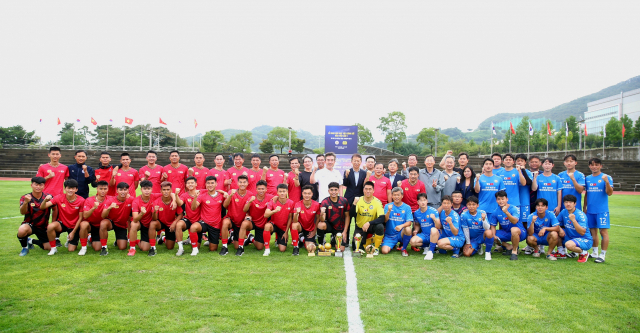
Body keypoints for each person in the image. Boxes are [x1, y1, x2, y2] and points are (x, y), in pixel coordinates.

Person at [42, 179, 84, 255]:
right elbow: (43, 207)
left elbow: (81, 218)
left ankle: (70, 240)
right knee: (50, 226)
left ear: (76, 189)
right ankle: (53, 248)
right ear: (65, 189)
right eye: (68, 188)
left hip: (74, 226)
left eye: (73, 188)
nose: (70, 190)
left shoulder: (81, 200)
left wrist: (73, 232)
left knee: (71, 250)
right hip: (62, 224)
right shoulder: (58, 197)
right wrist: (45, 200)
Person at [584, 158, 613, 263]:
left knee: (603, 232)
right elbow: (587, 193)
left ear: (601, 166)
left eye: (596, 165)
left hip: (602, 210)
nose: (594, 167)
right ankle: (595, 252)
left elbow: (609, 193)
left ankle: (603, 255)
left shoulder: (606, 177)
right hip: (590, 210)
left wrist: (607, 182)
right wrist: (584, 207)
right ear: (589, 166)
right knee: (592, 231)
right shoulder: (587, 178)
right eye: (592, 165)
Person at [188, 176, 224, 256]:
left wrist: (225, 193)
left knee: (213, 249)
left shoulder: (221, 195)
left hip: (215, 224)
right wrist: (195, 197)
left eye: (212, 183)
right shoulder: (202, 196)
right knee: (193, 227)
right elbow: (193, 208)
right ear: (206, 184)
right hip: (204, 222)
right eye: (208, 183)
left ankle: (210, 240)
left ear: (216, 184)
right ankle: (195, 249)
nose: (210, 185)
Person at [128, 180, 165, 256]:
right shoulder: (136, 201)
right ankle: (132, 248)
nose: (147, 191)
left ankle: (137, 241)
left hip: (150, 224)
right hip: (140, 223)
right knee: (134, 224)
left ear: (151, 189)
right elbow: (135, 219)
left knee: (145, 249)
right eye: (145, 189)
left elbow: (170, 193)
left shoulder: (155, 196)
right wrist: (141, 213)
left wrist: (174, 200)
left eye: (148, 189)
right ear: (141, 189)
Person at [17, 177, 53, 256]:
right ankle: (25, 248)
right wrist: (26, 202)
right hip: (30, 224)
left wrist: (53, 223)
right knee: (22, 230)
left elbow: (55, 209)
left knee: (49, 247)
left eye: (40, 185)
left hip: (43, 226)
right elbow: (22, 212)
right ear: (31, 185)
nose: (38, 187)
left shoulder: (48, 197)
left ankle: (30, 241)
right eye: (36, 185)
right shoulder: (25, 197)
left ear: (44, 186)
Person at [221, 175, 254, 256]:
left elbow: (251, 210)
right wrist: (230, 196)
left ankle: (240, 247)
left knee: (236, 246)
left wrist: (248, 216)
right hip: (231, 219)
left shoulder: (250, 194)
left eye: (244, 182)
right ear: (237, 183)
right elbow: (225, 206)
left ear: (248, 183)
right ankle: (224, 247)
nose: (242, 184)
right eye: (240, 182)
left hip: (242, 222)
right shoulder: (231, 192)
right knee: (225, 222)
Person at [100, 182, 135, 255]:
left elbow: (131, 217)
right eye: (121, 190)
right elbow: (103, 216)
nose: (123, 192)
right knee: (103, 223)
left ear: (128, 191)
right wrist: (109, 208)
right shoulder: (110, 200)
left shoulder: (131, 200)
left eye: (125, 190)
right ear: (117, 191)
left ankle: (117, 241)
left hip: (121, 224)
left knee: (122, 247)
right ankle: (104, 247)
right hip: (111, 222)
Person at [151, 182, 184, 256]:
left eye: (168, 190)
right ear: (161, 191)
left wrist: (174, 223)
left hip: (171, 224)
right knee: (152, 223)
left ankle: (163, 238)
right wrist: (155, 212)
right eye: (164, 190)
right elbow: (154, 219)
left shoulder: (175, 201)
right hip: (161, 223)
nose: (166, 192)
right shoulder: (156, 202)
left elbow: (180, 214)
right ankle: (152, 247)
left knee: (170, 247)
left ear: (171, 190)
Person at [352, 181, 386, 254]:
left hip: (371, 226)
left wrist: (369, 223)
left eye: (370, 189)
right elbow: (352, 214)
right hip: (360, 227)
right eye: (366, 189)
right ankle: (371, 240)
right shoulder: (358, 200)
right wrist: (354, 204)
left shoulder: (377, 202)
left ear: (373, 190)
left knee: (380, 226)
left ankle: (376, 248)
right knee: (355, 247)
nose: (368, 191)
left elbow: (382, 218)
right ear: (363, 190)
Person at [558, 194, 593, 263]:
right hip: (570, 237)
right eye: (566, 202)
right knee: (555, 232)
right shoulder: (563, 212)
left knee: (568, 245)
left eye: (570, 202)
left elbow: (582, 232)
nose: (568, 204)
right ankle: (561, 253)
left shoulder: (581, 215)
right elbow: (555, 223)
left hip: (584, 240)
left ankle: (583, 253)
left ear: (575, 204)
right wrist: (559, 229)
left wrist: (573, 220)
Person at [244, 180, 275, 256]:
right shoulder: (252, 198)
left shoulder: (271, 197)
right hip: (254, 222)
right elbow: (244, 210)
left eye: (263, 189)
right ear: (256, 189)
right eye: (259, 189)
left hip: (264, 224)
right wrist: (249, 203)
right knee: (244, 224)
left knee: (259, 247)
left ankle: (251, 238)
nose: (261, 190)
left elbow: (278, 198)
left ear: (266, 189)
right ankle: (241, 247)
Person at [490, 190, 523, 260]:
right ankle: (508, 246)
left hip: (519, 232)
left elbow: (514, 221)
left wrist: (506, 212)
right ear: (496, 200)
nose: (501, 201)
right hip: (506, 232)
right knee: (488, 233)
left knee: (513, 230)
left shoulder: (514, 208)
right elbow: (493, 226)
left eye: (503, 199)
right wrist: (494, 236)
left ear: (507, 199)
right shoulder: (495, 211)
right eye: (499, 199)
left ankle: (514, 252)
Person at [78, 181, 109, 256]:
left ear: (108, 189)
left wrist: (127, 196)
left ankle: (90, 238)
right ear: (97, 189)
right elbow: (85, 216)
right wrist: (93, 208)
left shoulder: (110, 199)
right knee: (83, 224)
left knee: (97, 248)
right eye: (100, 189)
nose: (103, 191)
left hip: (102, 226)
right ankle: (83, 247)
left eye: (105, 189)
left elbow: (120, 199)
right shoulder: (89, 200)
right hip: (91, 225)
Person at [380, 188, 413, 256]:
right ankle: (393, 245)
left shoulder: (407, 207)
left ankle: (403, 248)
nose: (396, 197)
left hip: (401, 233)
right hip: (390, 235)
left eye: (398, 195)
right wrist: (389, 211)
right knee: (384, 251)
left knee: (408, 229)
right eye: (394, 195)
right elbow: (385, 220)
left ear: (402, 196)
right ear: (392, 196)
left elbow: (409, 222)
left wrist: (401, 226)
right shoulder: (387, 206)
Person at [318, 182, 351, 251]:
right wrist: (321, 213)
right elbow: (322, 220)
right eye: (331, 190)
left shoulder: (344, 201)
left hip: (340, 228)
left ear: (338, 191)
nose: (333, 192)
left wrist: (345, 232)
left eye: (335, 190)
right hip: (329, 225)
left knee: (340, 249)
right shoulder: (324, 202)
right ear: (328, 191)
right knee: (320, 225)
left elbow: (347, 217)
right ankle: (321, 244)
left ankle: (334, 238)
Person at [264, 184, 295, 254]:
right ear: (277, 192)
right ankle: (267, 249)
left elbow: (290, 218)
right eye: (280, 191)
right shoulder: (273, 201)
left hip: (283, 228)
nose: (282, 193)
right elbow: (266, 215)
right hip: (274, 224)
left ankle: (278, 238)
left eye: (284, 191)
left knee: (282, 249)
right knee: (267, 226)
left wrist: (286, 231)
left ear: (287, 192)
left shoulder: (291, 203)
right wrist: (275, 211)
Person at [459, 196, 493, 260]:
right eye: (469, 204)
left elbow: (487, 228)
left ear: (477, 205)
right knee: (467, 254)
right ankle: (478, 247)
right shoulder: (464, 215)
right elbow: (465, 230)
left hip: (481, 236)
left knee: (489, 232)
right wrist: (468, 243)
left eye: (474, 204)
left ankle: (488, 252)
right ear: (467, 205)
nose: (471, 207)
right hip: (472, 238)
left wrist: (484, 219)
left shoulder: (482, 212)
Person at [408, 193, 441, 259]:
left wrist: (434, 219)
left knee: (433, 229)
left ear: (427, 201)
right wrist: (416, 230)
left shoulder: (434, 211)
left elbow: (439, 227)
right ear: (418, 202)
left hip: (435, 234)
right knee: (412, 242)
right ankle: (426, 246)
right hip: (424, 235)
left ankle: (430, 252)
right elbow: (417, 224)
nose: (423, 202)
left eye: (424, 200)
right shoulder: (416, 213)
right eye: (421, 200)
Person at [515, 154, 535, 255]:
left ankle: (529, 245)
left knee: (526, 224)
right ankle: (516, 246)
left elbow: (528, 183)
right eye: (518, 160)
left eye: (521, 161)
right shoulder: (512, 172)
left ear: (525, 162)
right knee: (514, 223)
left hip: (525, 202)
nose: (519, 162)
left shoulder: (527, 172)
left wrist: (522, 170)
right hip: (514, 202)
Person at [292, 186, 321, 254]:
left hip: (310, 229)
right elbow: (295, 221)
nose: (307, 195)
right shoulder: (298, 204)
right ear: (302, 193)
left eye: (309, 193)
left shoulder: (316, 205)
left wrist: (314, 231)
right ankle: (296, 247)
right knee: (294, 225)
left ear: (312, 194)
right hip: (300, 227)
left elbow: (318, 219)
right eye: (305, 193)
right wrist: (296, 214)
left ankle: (302, 239)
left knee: (310, 247)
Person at [174, 177, 201, 249]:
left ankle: (193, 239)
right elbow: (180, 203)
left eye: (192, 183)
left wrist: (224, 192)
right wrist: (176, 195)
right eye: (188, 183)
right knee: (179, 224)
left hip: (199, 220)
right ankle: (180, 248)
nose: (190, 184)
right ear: (186, 185)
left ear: (196, 184)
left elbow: (214, 191)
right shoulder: (184, 195)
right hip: (188, 219)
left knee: (197, 246)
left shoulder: (201, 193)